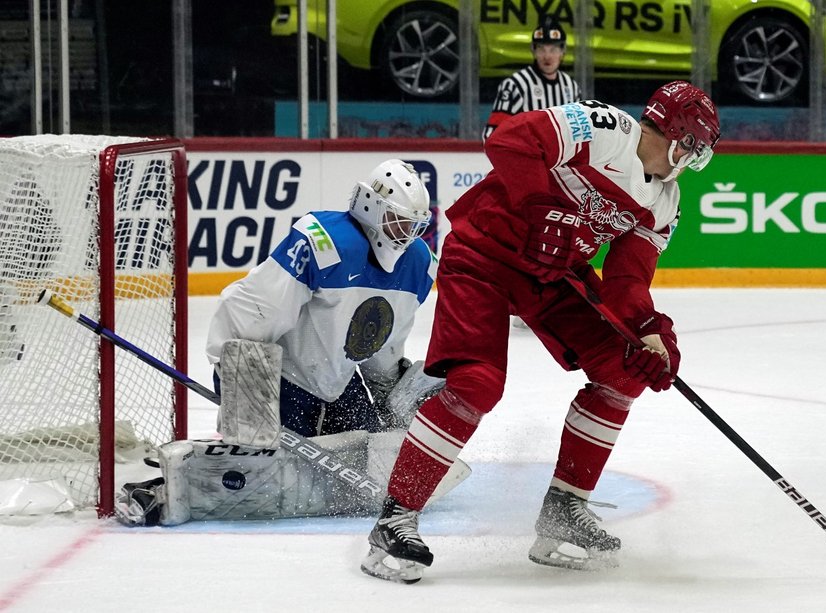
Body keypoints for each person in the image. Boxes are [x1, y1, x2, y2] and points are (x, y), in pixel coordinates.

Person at [360, 81, 720, 584]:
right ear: (681, 142)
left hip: (553, 274)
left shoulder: (666, 202)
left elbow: (627, 281)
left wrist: (651, 335)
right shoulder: (604, 128)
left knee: (623, 371)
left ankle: (563, 510)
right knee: (477, 382)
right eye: (695, 152)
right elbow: (508, 140)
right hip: (485, 252)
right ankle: (395, 517)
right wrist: (537, 208)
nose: (690, 165)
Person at [115, 159, 468, 526]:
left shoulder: (419, 264)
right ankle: (162, 489)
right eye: (399, 221)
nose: (406, 235)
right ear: (370, 206)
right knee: (261, 478)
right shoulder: (323, 241)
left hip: (339, 385)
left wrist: (390, 392)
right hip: (284, 383)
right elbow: (252, 309)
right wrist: (240, 381)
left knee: (371, 463)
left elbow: (384, 340)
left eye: (414, 226)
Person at [482, 15, 580, 142]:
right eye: (541, 49)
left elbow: (579, 136)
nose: (547, 56)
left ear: (563, 51)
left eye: (553, 49)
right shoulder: (514, 86)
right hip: (526, 160)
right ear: (533, 50)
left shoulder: (571, 87)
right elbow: (492, 136)